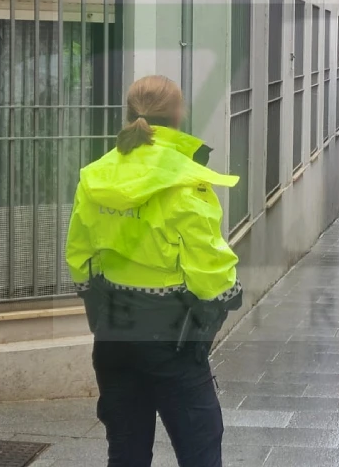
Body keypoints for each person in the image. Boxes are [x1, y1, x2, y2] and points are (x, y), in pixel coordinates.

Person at [65, 75, 243, 467]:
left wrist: (98, 306)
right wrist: (225, 298)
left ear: (129, 114)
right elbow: (209, 266)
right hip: (171, 337)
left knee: (125, 449)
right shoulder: (184, 179)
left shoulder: (96, 175)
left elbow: (79, 253)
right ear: (178, 115)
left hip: (113, 334)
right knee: (200, 444)